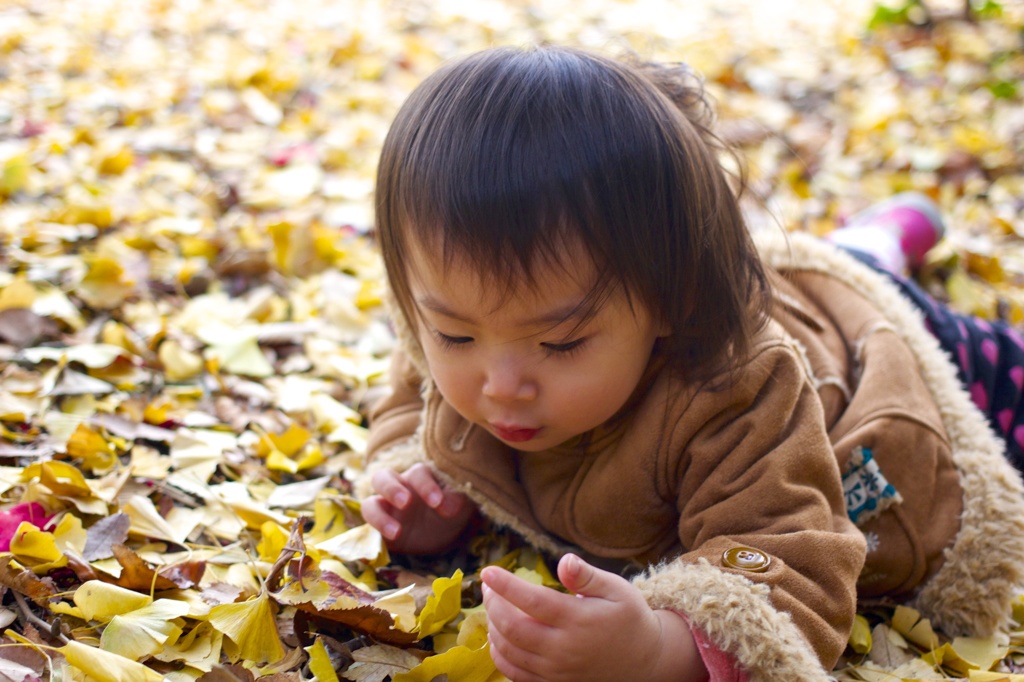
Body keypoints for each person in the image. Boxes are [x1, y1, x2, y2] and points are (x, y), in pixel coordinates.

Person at [355, 44, 1024, 682]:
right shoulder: (477, 313)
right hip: (788, 285)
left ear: (675, 301)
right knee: (847, 255)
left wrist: (658, 650)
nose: (499, 387)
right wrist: (417, 487)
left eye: (559, 344)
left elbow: (786, 557)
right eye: (454, 336)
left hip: (880, 346)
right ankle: (879, 236)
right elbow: (411, 393)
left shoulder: (738, 394)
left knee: (935, 328)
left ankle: (877, 246)